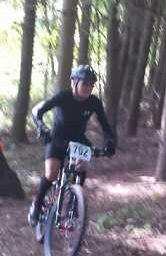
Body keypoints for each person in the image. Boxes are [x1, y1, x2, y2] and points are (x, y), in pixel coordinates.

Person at [28, 64, 117, 225]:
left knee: (81, 166)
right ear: (73, 83)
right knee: (51, 173)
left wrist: (110, 141)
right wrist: (41, 127)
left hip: (78, 138)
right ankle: (37, 205)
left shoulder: (94, 102)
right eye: (85, 83)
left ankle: (75, 203)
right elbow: (37, 111)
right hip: (56, 136)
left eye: (91, 84)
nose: (88, 87)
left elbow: (105, 125)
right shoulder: (63, 96)